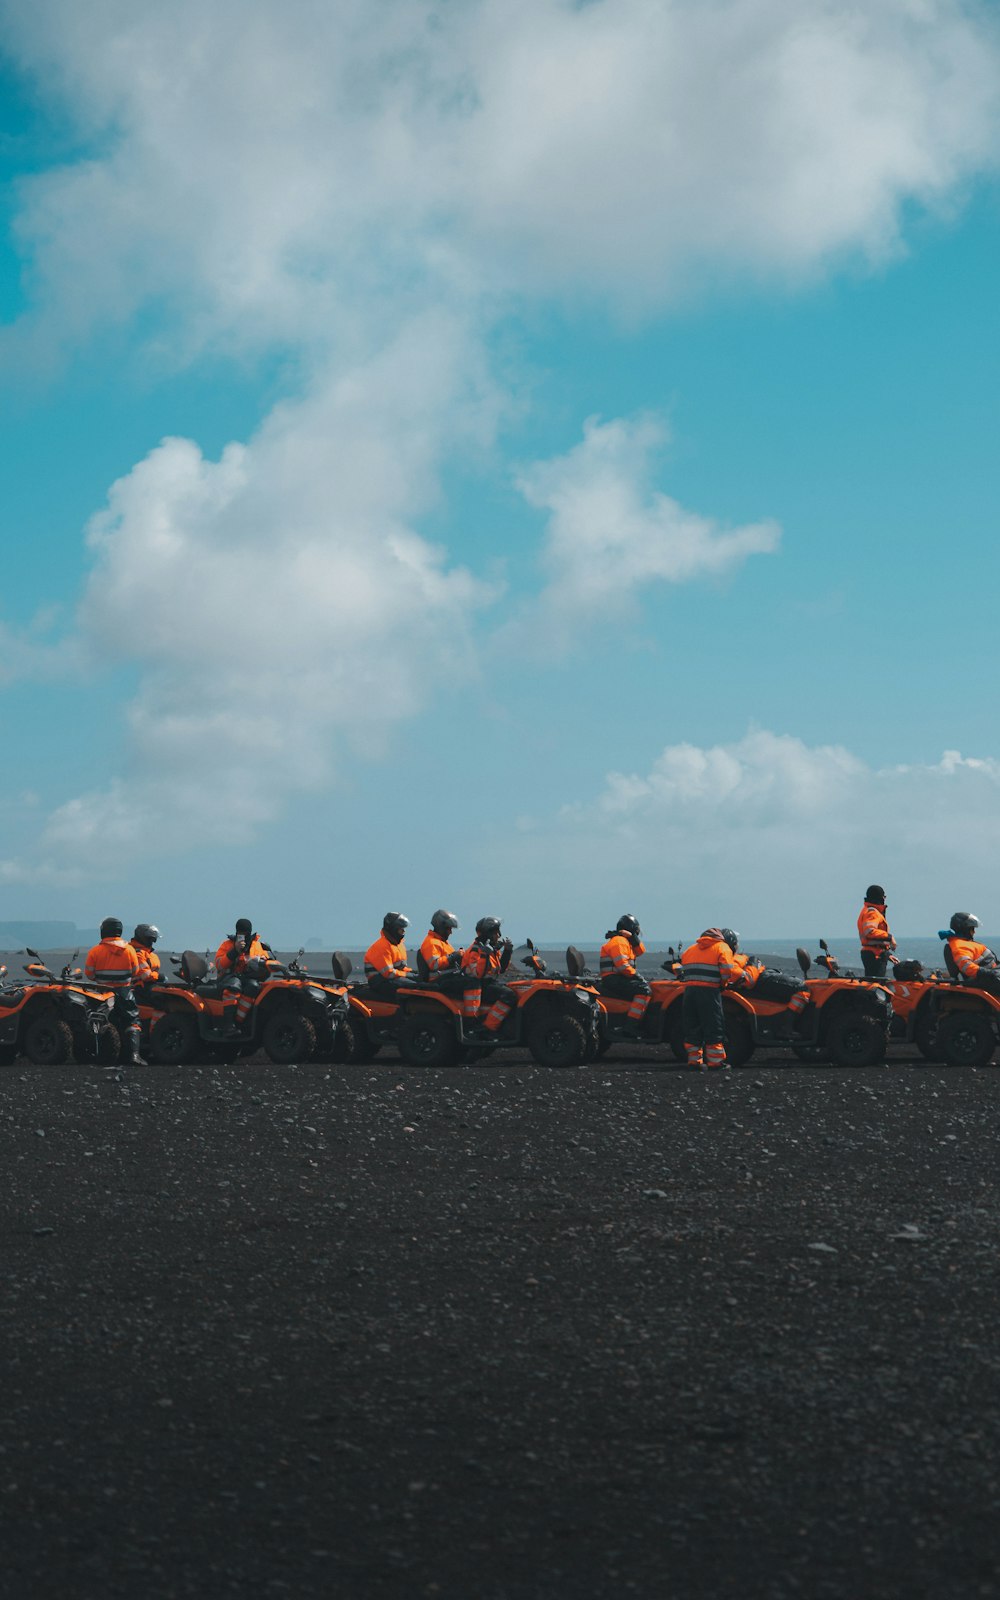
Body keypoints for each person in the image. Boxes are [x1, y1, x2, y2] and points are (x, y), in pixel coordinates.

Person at [725, 930, 811, 1037]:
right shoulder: (730, 961)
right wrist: (754, 964)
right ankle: (786, 1027)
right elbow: (748, 981)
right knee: (802, 987)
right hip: (762, 979)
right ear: (732, 944)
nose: (737, 945)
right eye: (736, 942)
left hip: (763, 975)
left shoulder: (730, 958)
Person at [85, 916, 146, 1065]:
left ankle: (100, 1055)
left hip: (102, 993)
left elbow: (89, 974)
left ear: (104, 931)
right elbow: (135, 971)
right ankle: (134, 1055)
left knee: (99, 1021)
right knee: (132, 1022)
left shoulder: (95, 951)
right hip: (125, 992)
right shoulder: (130, 950)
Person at [679, 927, 740, 1070]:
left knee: (693, 1027)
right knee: (713, 1026)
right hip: (709, 992)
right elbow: (727, 970)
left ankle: (694, 1062)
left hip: (689, 992)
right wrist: (723, 984)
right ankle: (716, 1063)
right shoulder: (722, 947)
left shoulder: (690, 949)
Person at [461, 916, 516, 1035]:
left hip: (488, 984)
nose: (499, 935)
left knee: (515, 989)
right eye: (496, 932)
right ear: (488, 934)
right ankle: (488, 1027)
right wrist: (485, 955)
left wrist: (507, 951)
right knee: (509, 995)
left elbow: (500, 969)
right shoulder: (476, 950)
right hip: (478, 987)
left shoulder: (490, 950)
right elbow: (478, 974)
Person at [216, 917, 271, 1034]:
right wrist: (235, 950)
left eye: (245, 933)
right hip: (228, 977)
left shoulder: (256, 945)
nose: (242, 936)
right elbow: (219, 964)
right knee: (233, 986)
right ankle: (228, 1025)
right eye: (240, 933)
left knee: (254, 987)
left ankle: (239, 1022)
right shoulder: (227, 944)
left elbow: (266, 960)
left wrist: (261, 960)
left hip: (248, 977)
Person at [599, 914, 651, 1037]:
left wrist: (633, 938)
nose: (637, 933)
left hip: (617, 977)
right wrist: (636, 976)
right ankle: (630, 1026)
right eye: (636, 930)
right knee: (644, 990)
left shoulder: (626, 941)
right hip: (613, 978)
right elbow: (622, 966)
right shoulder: (619, 942)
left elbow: (640, 951)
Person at [942, 913, 1000, 999]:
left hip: (992, 975)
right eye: (972, 929)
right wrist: (988, 973)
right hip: (988, 979)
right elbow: (965, 965)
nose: (974, 932)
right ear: (965, 929)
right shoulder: (959, 945)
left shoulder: (964, 942)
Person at [364, 913, 414, 996]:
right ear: (393, 929)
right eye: (401, 929)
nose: (404, 931)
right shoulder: (382, 946)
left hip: (390, 978)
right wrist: (407, 975)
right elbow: (389, 973)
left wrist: (413, 973)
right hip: (380, 981)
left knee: (419, 983)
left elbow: (400, 967)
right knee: (412, 988)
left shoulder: (397, 944)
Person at [857, 886, 896, 978]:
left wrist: (887, 954)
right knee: (876, 984)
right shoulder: (872, 912)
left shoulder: (867, 910)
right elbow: (870, 931)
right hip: (875, 954)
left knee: (872, 982)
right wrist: (889, 937)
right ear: (880, 897)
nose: (884, 899)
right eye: (884, 896)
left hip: (874, 953)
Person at [130, 923, 161, 987]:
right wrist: (158, 976)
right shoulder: (137, 954)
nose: (152, 942)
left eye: (154, 939)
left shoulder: (152, 955)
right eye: (150, 939)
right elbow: (145, 975)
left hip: (151, 984)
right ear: (142, 938)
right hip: (138, 988)